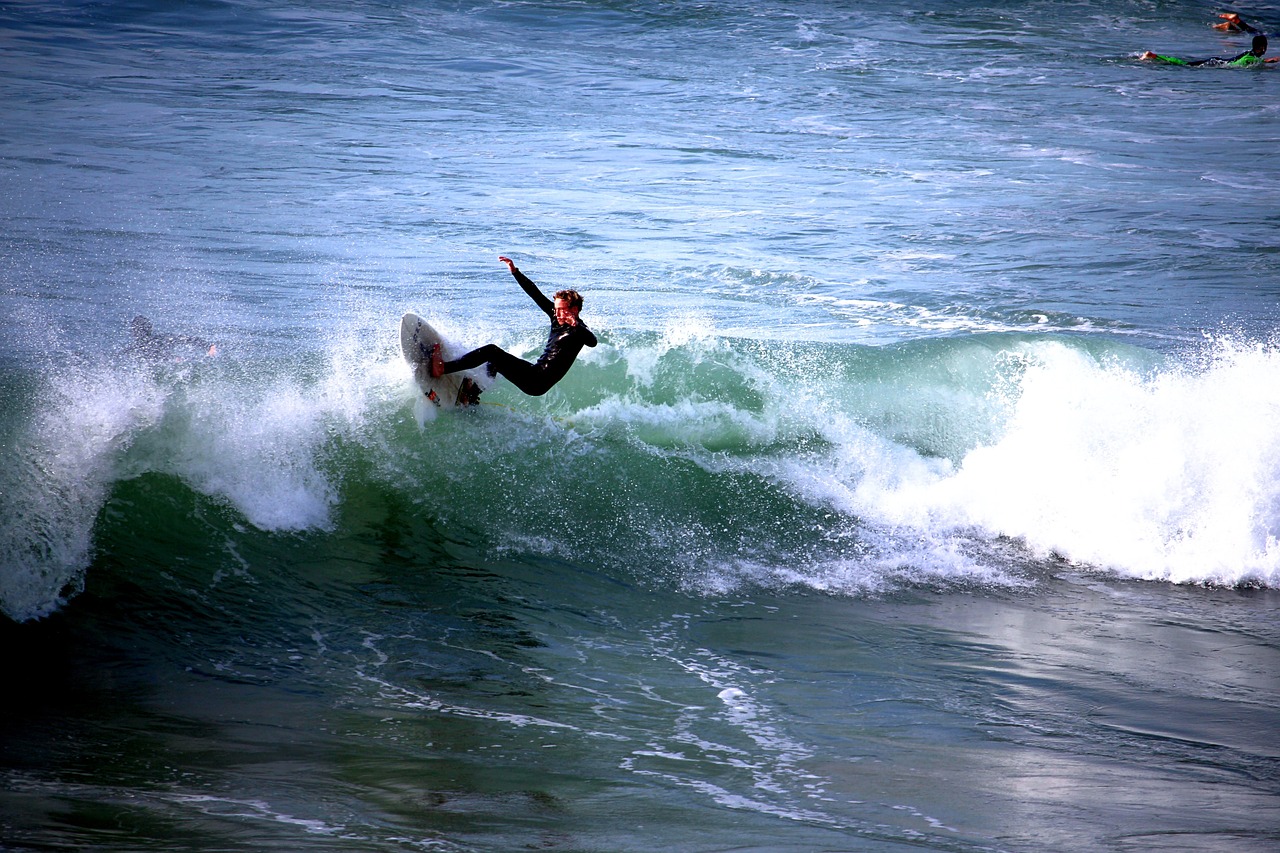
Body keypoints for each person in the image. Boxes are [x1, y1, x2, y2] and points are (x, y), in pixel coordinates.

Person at [430, 256, 597, 397]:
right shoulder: (556, 317)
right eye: (556, 309)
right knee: (494, 362)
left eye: (562, 310)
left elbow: (592, 341)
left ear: (574, 310)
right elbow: (535, 294)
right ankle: (471, 394)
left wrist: (575, 324)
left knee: (491, 351)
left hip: (538, 381)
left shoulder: (579, 331)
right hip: (534, 372)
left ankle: (443, 368)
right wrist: (515, 272)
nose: (558, 313)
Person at [1140, 33, 1269, 66]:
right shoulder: (1250, 57)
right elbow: (1237, 64)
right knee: (1186, 65)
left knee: (1187, 64)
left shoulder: (1249, 53)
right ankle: (1153, 56)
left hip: (1216, 61)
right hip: (1214, 64)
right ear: (1263, 47)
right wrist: (1265, 62)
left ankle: (1154, 56)